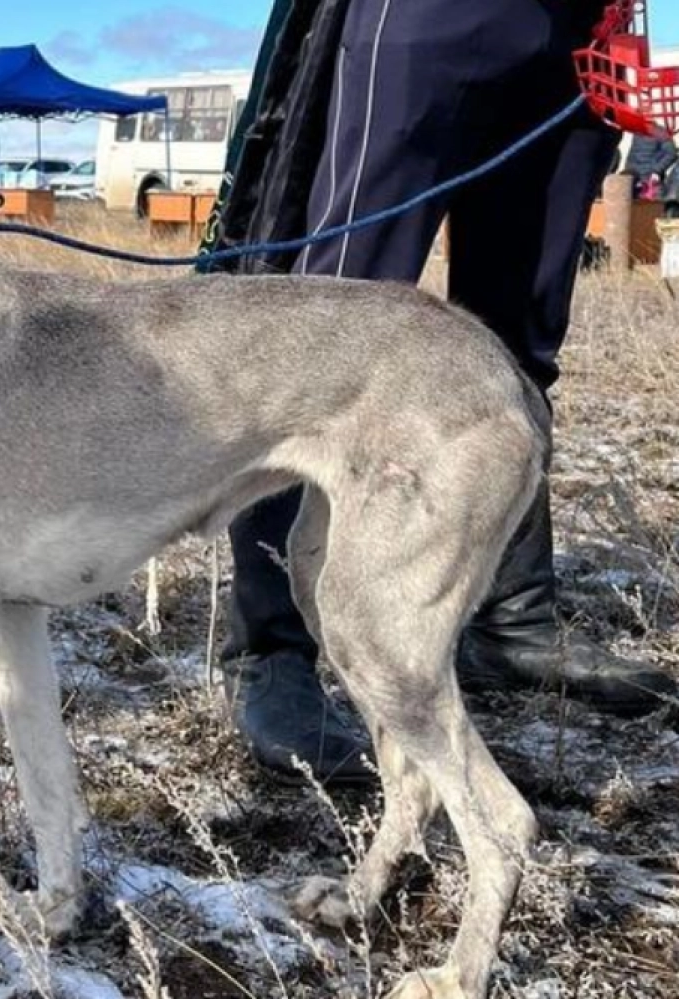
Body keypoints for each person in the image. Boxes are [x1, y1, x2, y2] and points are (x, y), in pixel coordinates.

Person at [201, 0, 678, 785]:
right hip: (425, 20)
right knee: (329, 342)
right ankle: (272, 651)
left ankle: (508, 616)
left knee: (519, 344)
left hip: (581, 33)